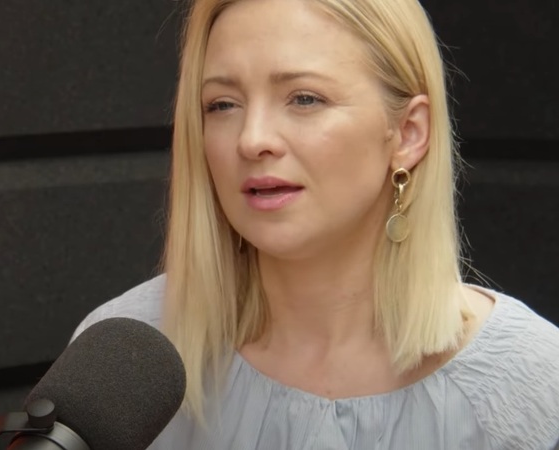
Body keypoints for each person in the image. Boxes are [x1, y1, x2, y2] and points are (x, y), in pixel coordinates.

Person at [72, 0, 559, 448]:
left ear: (408, 133)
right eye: (222, 104)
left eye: (304, 99)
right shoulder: (119, 362)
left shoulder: (527, 386)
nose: (252, 139)